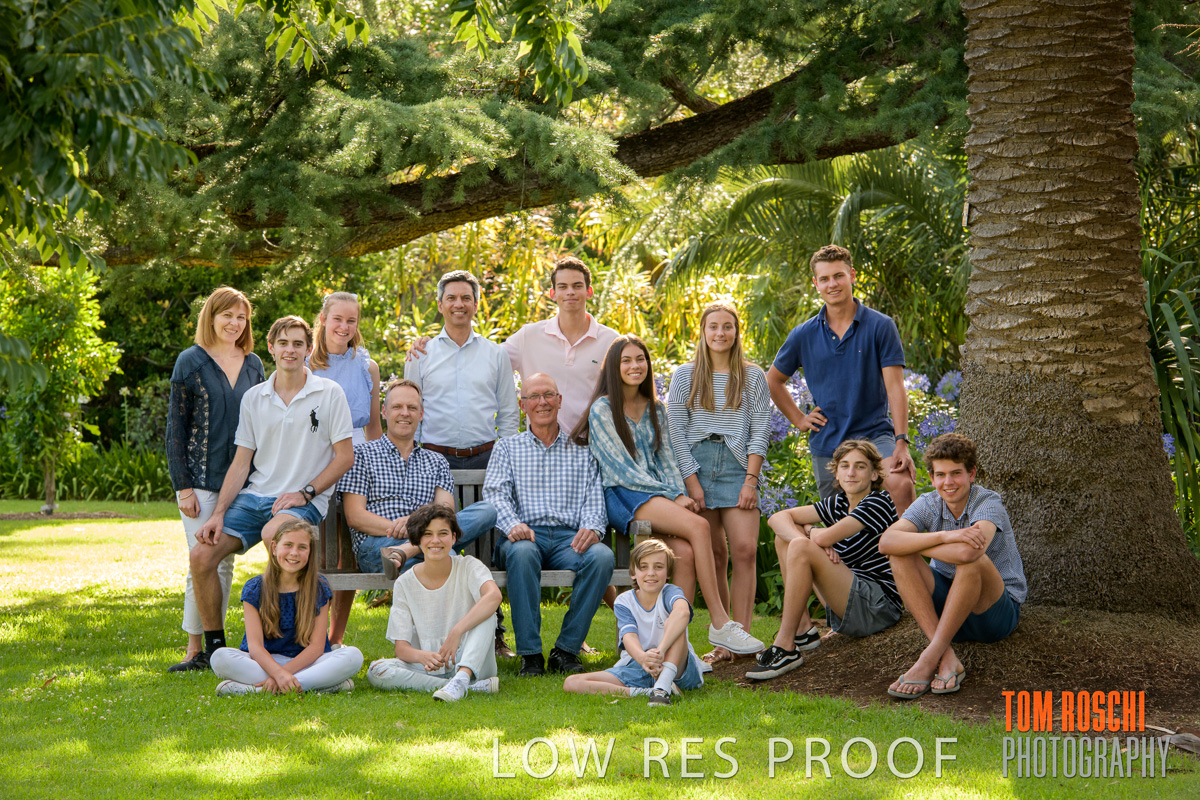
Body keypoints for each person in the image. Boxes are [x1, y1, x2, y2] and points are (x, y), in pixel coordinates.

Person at [178, 315, 355, 673]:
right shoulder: (254, 398)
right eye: (283, 343)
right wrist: (217, 514)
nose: (290, 350)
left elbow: (344, 457)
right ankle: (213, 650)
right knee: (202, 555)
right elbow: (242, 462)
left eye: (298, 343)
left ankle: (286, 641)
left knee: (274, 534)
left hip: (303, 501)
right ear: (271, 348)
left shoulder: (329, 393)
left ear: (308, 349)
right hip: (256, 496)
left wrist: (306, 492)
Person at [571, 334, 764, 657]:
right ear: (613, 368)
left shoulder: (656, 409)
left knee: (684, 554)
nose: (635, 366)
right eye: (626, 361)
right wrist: (672, 496)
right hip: (624, 495)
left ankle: (676, 648)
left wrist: (677, 492)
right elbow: (622, 469)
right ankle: (720, 621)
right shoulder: (602, 409)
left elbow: (668, 460)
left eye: (640, 359)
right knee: (700, 526)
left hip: (657, 497)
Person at [329, 379, 498, 645]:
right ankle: (464, 646)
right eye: (397, 407)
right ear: (384, 412)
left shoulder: (436, 461)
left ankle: (408, 552)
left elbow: (446, 513)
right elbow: (355, 516)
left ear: (421, 414)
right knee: (447, 557)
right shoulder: (361, 455)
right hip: (379, 546)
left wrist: (413, 528)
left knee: (486, 511)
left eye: (412, 407)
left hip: (412, 551)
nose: (404, 413)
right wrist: (416, 530)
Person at [766, 244, 916, 513]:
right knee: (839, 521)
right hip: (828, 442)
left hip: (875, 435)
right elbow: (772, 380)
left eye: (838, 276)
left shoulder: (881, 326)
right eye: (824, 279)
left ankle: (906, 542)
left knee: (902, 485)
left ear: (852, 276)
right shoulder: (803, 334)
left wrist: (901, 442)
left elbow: (895, 388)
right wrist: (799, 419)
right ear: (816, 284)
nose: (832, 284)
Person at [483, 373, 615, 677]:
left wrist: (592, 528)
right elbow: (495, 495)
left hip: (569, 539)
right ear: (523, 406)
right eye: (533, 397)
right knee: (522, 553)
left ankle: (566, 650)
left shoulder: (583, 450)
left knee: (602, 557)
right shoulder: (507, 448)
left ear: (559, 401)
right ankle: (530, 655)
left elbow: (595, 498)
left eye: (548, 395)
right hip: (524, 537)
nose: (541, 402)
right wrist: (513, 525)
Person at [879, 433, 1027, 699]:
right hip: (949, 612)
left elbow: (969, 552)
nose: (948, 482)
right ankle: (946, 656)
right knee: (899, 556)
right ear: (931, 477)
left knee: (972, 561)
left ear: (972, 474)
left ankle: (927, 659)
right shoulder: (928, 503)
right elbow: (887, 542)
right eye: (940, 474)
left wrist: (914, 543)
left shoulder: (987, 502)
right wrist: (946, 536)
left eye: (956, 473)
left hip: (994, 613)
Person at [165, 287, 266, 672]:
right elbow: (175, 429)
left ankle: (214, 647)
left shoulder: (254, 364)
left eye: (241, 317)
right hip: (201, 482)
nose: (234, 323)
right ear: (211, 316)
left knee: (223, 563)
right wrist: (183, 487)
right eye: (227, 315)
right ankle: (197, 647)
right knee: (204, 560)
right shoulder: (190, 361)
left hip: (246, 482)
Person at [406, 256, 618, 434]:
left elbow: (624, 396)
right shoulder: (528, 336)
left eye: (577, 286)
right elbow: (483, 357)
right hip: (541, 447)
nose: (570, 292)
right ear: (553, 293)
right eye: (563, 286)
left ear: (589, 291)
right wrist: (432, 345)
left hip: (593, 446)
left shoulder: (611, 341)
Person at [666, 302, 770, 660]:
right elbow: (676, 433)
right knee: (713, 553)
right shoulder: (685, 375)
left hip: (739, 466)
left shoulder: (753, 376)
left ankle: (742, 635)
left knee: (744, 550)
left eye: (727, 326)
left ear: (736, 332)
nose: (720, 333)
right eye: (713, 326)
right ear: (703, 331)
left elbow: (760, 430)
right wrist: (691, 481)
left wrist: (751, 480)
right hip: (698, 464)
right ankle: (723, 641)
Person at [748, 439, 901, 681]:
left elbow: (823, 537)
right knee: (786, 539)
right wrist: (808, 536)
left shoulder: (878, 502)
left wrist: (810, 535)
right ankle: (803, 631)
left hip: (878, 607)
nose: (851, 472)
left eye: (860, 466)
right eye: (845, 466)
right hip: (851, 596)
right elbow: (777, 518)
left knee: (799, 543)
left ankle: (785, 647)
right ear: (837, 473)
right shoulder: (838, 503)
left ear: (874, 474)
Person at [209, 520, 364, 695]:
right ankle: (322, 685)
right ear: (274, 548)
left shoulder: (319, 587)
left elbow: (316, 648)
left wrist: (282, 674)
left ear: (310, 551)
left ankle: (256, 690)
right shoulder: (255, 588)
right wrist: (278, 673)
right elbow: (255, 647)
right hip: (263, 663)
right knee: (219, 657)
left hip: (307, 663)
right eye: (288, 545)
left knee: (353, 656)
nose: (294, 553)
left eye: (302, 547)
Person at [366, 504, 503, 701]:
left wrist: (457, 632)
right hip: (430, 665)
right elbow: (401, 649)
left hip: (473, 661)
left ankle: (463, 677)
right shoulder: (404, 583)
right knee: (377, 670)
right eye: (427, 534)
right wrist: (423, 656)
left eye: (443, 533)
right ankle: (467, 687)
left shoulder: (469, 566)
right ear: (418, 541)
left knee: (488, 612)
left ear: (454, 538)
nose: (435, 540)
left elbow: (494, 596)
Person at [563, 539, 704, 706]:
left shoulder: (670, 592)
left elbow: (683, 612)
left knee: (675, 622)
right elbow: (629, 636)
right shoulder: (624, 601)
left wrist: (660, 651)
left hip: (677, 668)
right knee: (571, 683)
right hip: (639, 665)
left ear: (668, 573)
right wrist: (643, 658)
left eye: (658, 567)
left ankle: (663, 687)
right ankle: (646, 692)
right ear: (633, 573)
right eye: (643, 567)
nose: (651, 573)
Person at [404, 270, 519, 468]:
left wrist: (507, 458)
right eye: (451, 298)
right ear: (440, 305)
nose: (459, 304)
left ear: (475, 305)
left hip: (487, 459)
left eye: (466, 298)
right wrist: (410, 456)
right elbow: (411, 410)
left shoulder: (496, 354)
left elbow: (508, 412)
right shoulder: (420, 355)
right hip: (433, 459)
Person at [308, 291, 382, 446]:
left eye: (351, 321)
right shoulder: (305, 365)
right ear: (323, 319)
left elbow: (374, 426)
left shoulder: (368, 368)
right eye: (337, 319)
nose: (344, 327)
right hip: (314, 447)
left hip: (357, 449)